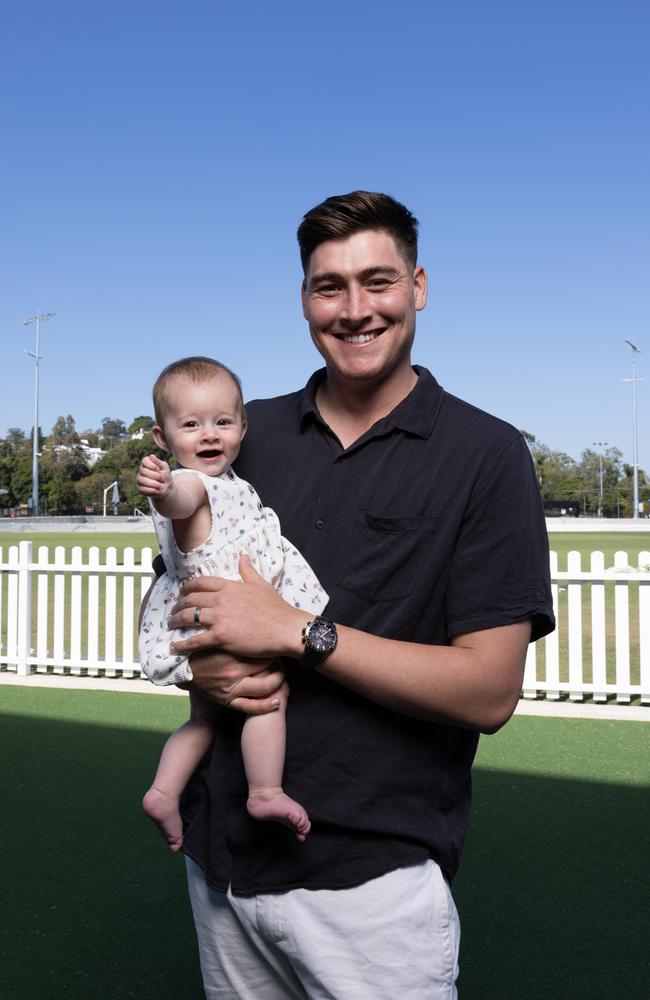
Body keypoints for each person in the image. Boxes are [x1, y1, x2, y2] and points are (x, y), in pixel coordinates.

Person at [144, 191, 555, 999]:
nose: (355, 308)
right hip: (220, 862)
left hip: (373, 886)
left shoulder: (488, 454)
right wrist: (206, 670)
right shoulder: (241, 432)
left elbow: (489, 692)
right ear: (305, 299)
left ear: (419, 286)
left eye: (378, 281)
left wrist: (299, 632)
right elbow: (178, 591)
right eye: (329, 286)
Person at [138, 356, 328, 850]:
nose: (209, 435)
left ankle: (164, 790)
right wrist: (162, 490)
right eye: (191, 425)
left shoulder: (232, 485)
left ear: (244, 427)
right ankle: (265, 791)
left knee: (203, 719)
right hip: (228, 619)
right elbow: (182, 499)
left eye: (222, 422)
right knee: (268, 700)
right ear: (163, 437)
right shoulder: (195, 483)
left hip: (207, 620)